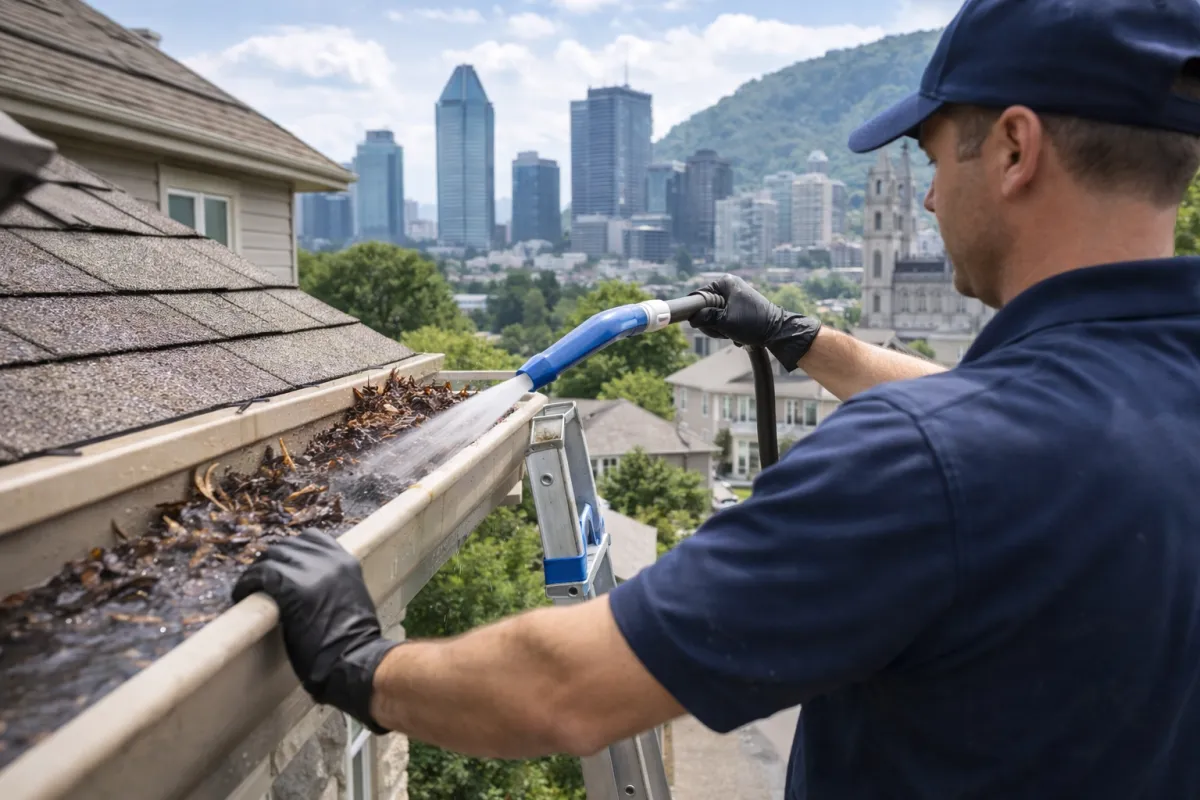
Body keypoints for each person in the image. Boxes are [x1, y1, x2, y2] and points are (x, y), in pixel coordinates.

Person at [234, 0, 1200, 796]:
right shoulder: (1144, 402)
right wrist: (804, 340)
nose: (931, 199)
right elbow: (1006, 409)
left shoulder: (922, 463)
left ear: (1016, 149)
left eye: (939, 157)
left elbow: (563, 690)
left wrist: (362, 662)